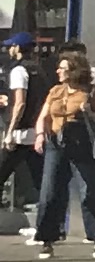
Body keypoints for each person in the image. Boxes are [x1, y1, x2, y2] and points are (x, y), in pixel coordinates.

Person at [32, 46, 95, 262]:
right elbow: (44, 115)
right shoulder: (56, 91)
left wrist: (91, 113)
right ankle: (47, 239)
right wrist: (40, 135)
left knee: (90, 190)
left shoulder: (92, 92)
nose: (58, 72)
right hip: (57, 142)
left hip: (83, 143)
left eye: (63, 68)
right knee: (50, 191)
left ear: (74, 70)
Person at [1, 39, 35, 234]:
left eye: (12, 46)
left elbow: (20, 103)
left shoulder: (18, 71)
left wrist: (10, 132)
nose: (9, 49)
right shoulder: (37, 69)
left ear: (18, 48)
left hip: (19, 134)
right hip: (33, 133)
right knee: (37, 177)